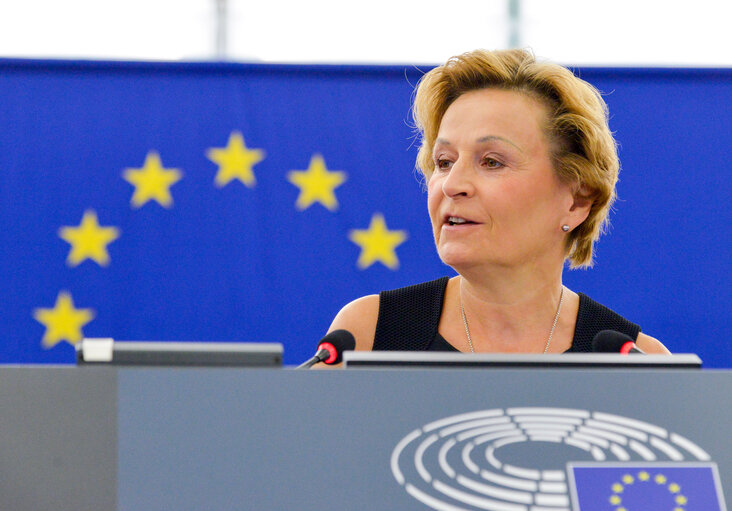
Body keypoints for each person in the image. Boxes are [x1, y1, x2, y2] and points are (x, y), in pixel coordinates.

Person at [319, 48, 669, 365]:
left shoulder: (637, 362)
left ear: (576, 200)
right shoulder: (366, 336)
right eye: (443, 162)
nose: (452, 185)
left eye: (491, 162)